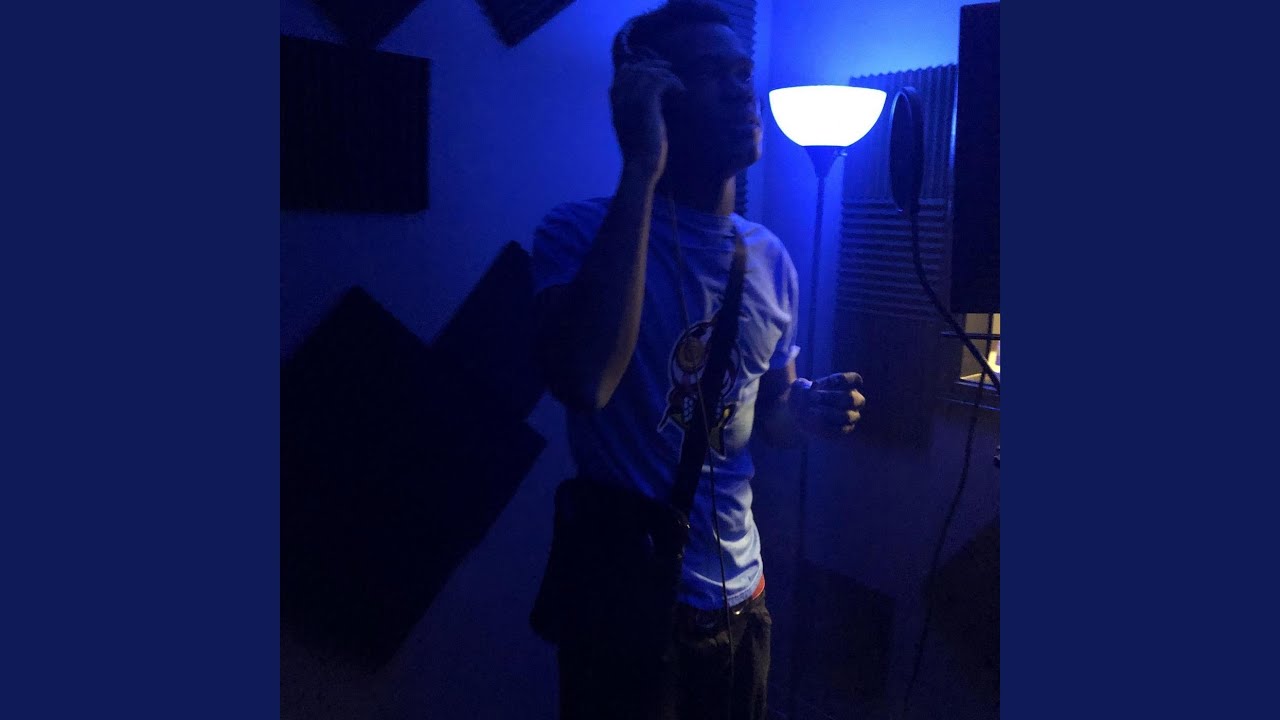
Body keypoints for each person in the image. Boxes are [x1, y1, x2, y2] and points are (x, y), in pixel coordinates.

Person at [529, 3, 867, 718]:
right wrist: (640, 165)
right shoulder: (576, 233)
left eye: (743, 69)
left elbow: (769, 418)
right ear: (655, 98)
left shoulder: (771, 259)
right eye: (713, 73)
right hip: (627, 608)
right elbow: (586, 379)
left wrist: (803, 411)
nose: (743, 87)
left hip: (744, 602)